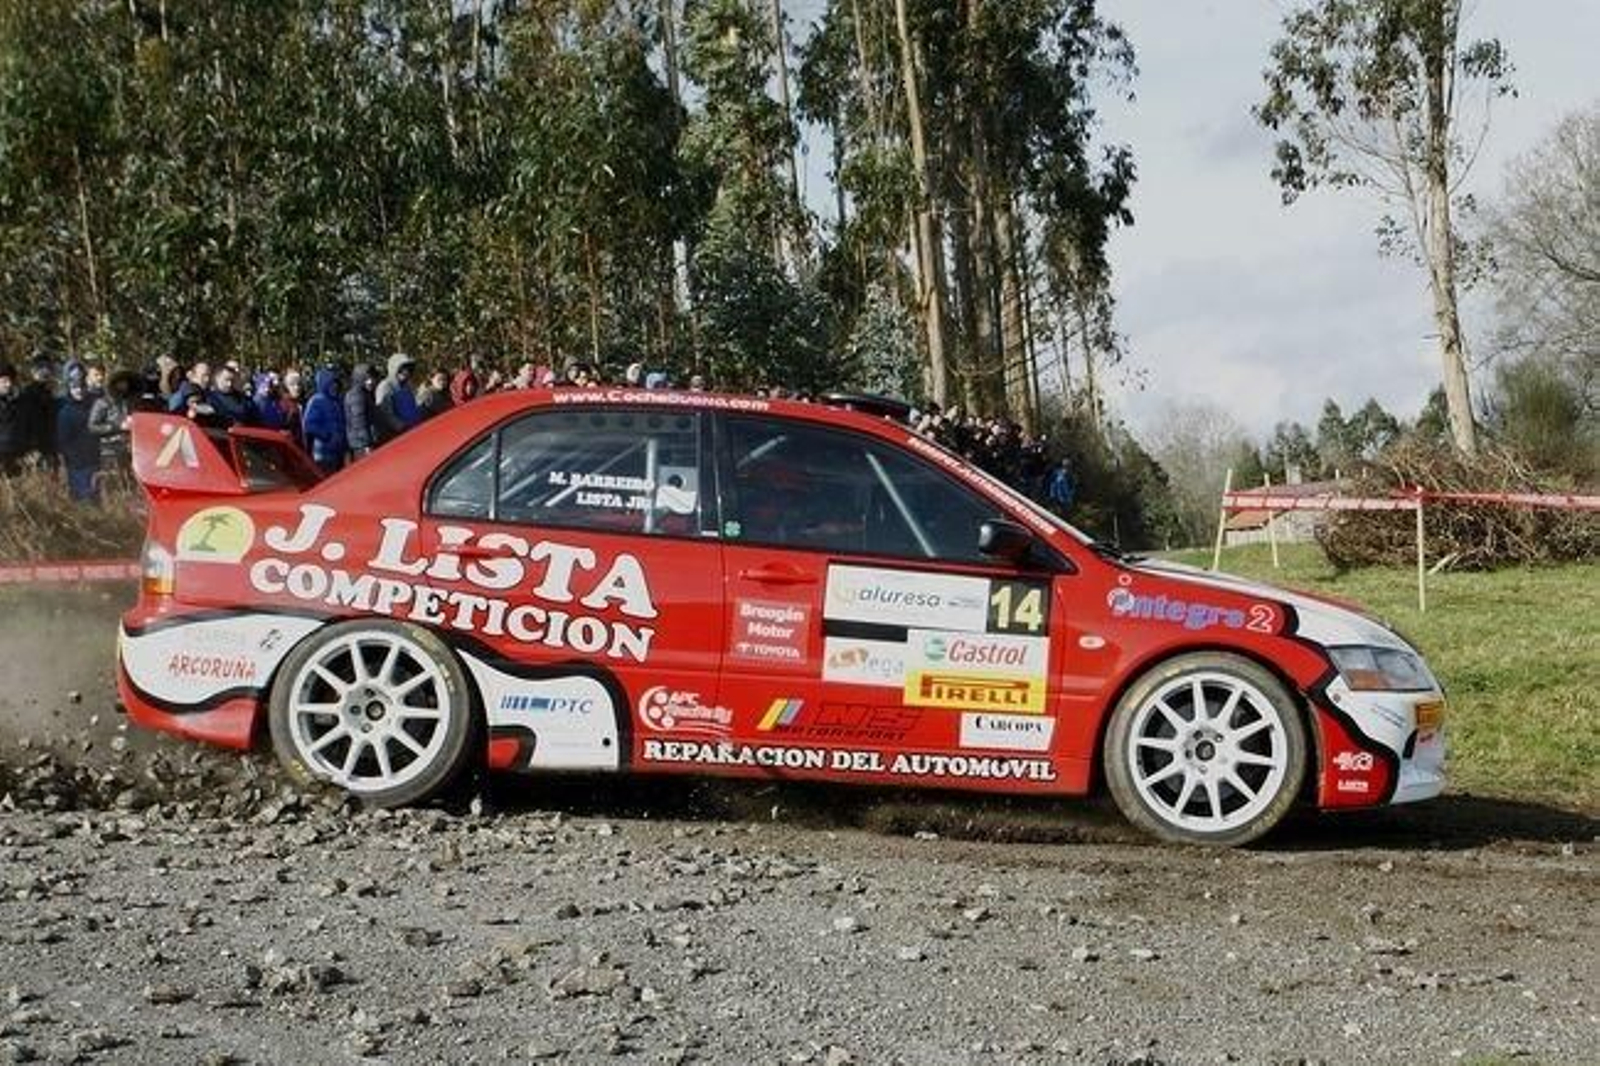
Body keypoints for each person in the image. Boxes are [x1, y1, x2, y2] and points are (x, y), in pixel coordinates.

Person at [56, 370, 99, 502]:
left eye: (82, 387)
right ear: (70, 389)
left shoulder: (94, 406)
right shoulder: (65, 412)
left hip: (96, 461)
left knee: (98, 500)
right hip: (77, 466)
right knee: (82, 501)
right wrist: (73, 459)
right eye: (75, 387)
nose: (79, 390)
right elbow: (63, 441)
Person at [88, 370, 136, 474]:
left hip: (131, 450)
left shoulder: (131, 403)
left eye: (126, 382)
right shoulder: (102, 403)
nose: (124, 385)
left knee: (129, 482)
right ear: (113, 384)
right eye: (120, 382)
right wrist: (117, 426)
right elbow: (93, 426)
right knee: (113, 483)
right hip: (109, 450)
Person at [302, 367, 347, 474]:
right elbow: (308, 425)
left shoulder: (337, 400)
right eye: (332, 383)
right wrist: (326, 435)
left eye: (336, 383)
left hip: (339, 452)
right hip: (323, 454)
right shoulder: (316, 401)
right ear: (324, 384)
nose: (335, 386)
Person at [373, 352, 420, 442]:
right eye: (402, 368)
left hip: (414, 431)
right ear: (394, 368)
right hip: (398, 437)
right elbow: (386, 414)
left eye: (409, 369)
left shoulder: (408, 385)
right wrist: (403, 428)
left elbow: (414, 407)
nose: (406, 372)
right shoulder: (385, 386)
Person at [344, 362, 377, 459]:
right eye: (367, 379)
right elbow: (359, 422)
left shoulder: (365, 393)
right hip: (362, 445)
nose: (371, 381)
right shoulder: (357, 395)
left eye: (372, 378)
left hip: (362, 443)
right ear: (360, 379)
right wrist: (366, 445)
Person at [0, 364, 20, 476]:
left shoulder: (17, 402)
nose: (9, 384)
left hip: (16, 457)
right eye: (4, 381)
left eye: (11, 380)